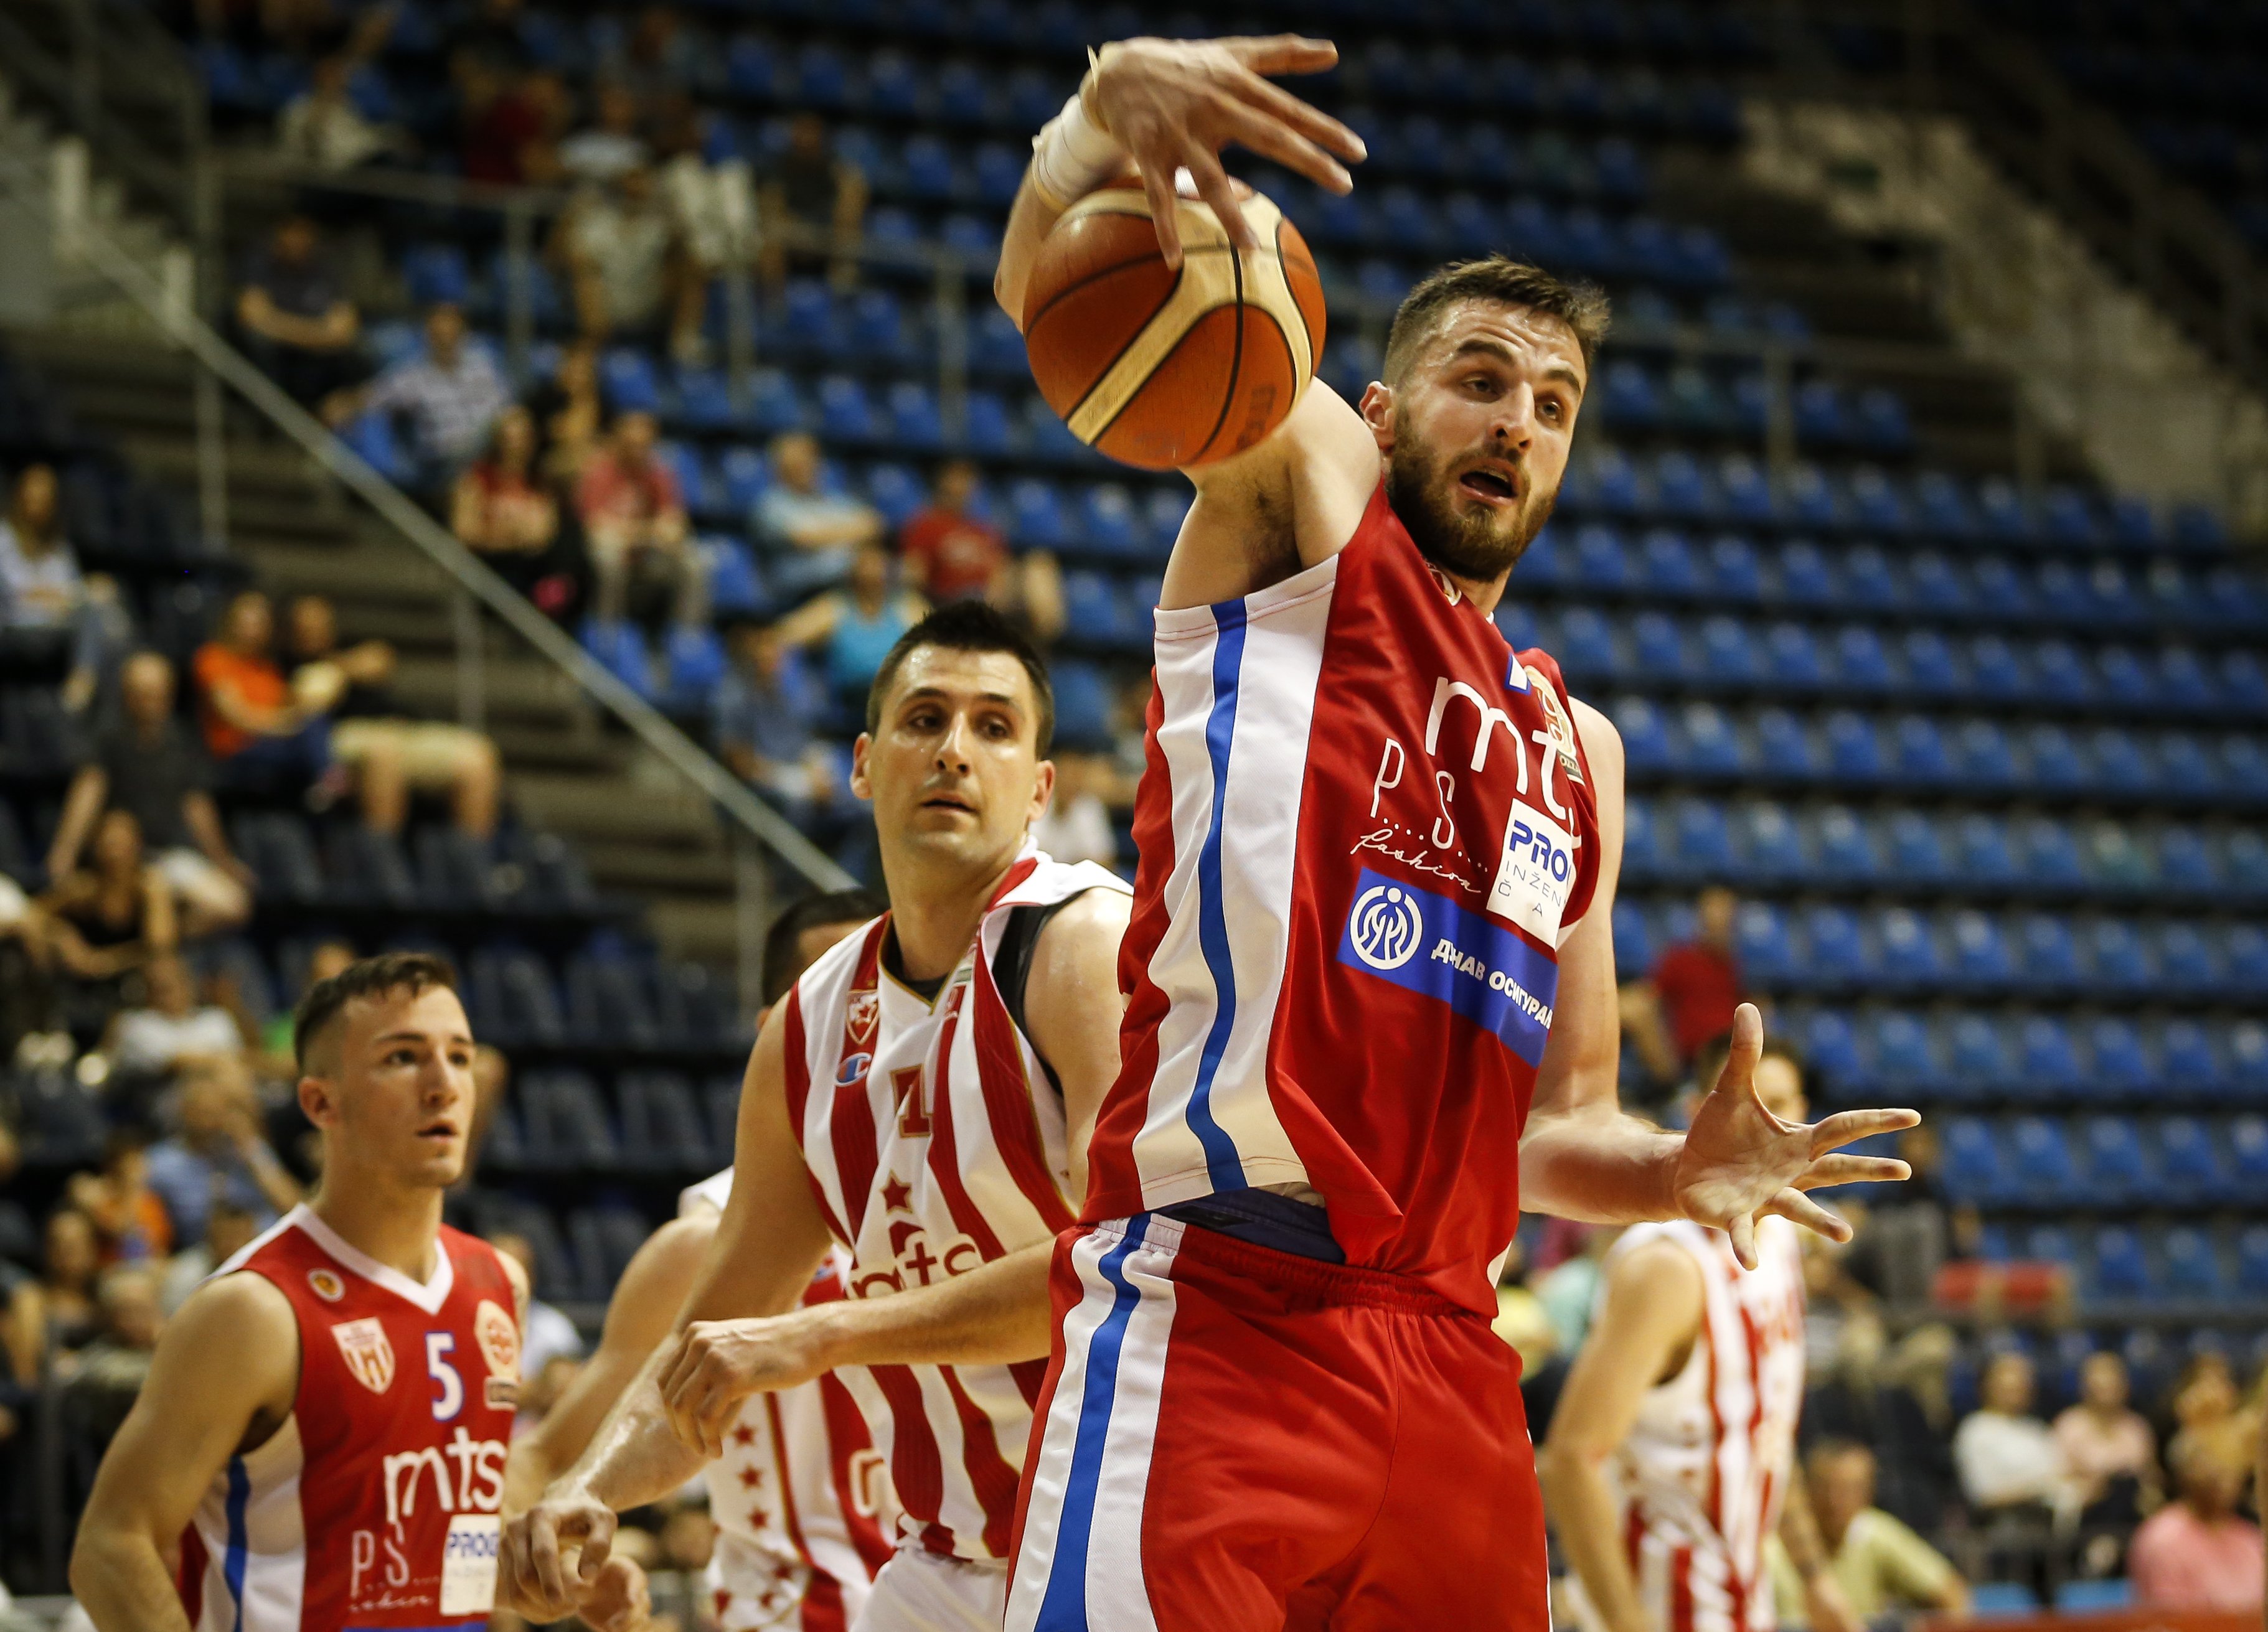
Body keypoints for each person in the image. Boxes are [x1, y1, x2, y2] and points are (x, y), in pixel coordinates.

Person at [989, 38, 1916, 1630]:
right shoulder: (1304, 514)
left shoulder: (1582, 750)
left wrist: (1670, 1171)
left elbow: (1559, 1122)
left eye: (1551, 403)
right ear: (1376, 403)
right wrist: (1086, 130)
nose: (1515, 423)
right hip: (1220, 1306)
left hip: (1449, 1360)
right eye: (1478, 379)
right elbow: (1059, 298)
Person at [500, 604, 1136, 1632]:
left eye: (992, 727)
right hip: (945, 1554)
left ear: (1040, 788)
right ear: (862, 762)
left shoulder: (1079, 946)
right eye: (923, 718)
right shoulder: (804, 1029)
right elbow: (717, 1342)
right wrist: (588, 1489)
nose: (953, 752)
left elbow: (1120, 1270)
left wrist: (823, 1334)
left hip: (1125, 1528)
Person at [70, 954, 548, 1631]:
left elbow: (425, 1548)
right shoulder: (254, 1309)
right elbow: (111, 1546)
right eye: (404, 1058)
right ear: (322, 1102)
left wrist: (534, 1577)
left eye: (461, 1058)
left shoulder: (500, 1285)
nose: (444, 1085)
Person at [501, 889, 890, 1631]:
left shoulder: (974, 1199)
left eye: (888, 993)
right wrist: (509, 1573)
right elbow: (545, 1461)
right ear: (776, 1028)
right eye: (842, 995)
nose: (872, 1021)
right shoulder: (701, 1244)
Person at [1545, 1036, 1853, 1632]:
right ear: (1699, 1116)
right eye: (1751, 1109)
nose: (1770, 1131)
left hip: (1742, 1594)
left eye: (1783, 1108)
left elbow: (1761, 1433)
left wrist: (1814, 1578)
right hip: (1655, 1605)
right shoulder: (1666, 1267)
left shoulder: (1783, 1241)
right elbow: (1568, 1462)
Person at [47, 650, 255, 937]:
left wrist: (223, 860)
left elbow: (197, 808)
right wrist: (64, 852)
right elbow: (87, 794)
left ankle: (147, 955)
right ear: (126, 695)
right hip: (119, 860)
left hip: (168, 855)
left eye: (156, 693)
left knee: (233, 905)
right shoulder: (109, 740)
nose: (149, 701)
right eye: (140, 693)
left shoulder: (181, 742)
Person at [285, 593, 502, 838]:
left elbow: (380, 659)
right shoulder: (286, 665)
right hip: (343, 735)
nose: (313, 630)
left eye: (320, 623)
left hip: (400, 729)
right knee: (384, 754)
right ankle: (385, 863)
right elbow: (297, 712)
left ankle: (474, 862)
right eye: (306, 624)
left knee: (476, 755)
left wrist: (337, 670)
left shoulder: (344, 654)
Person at [1769, 1442, 1969, 1624]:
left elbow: (1951, 1594)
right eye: (1825, 1487)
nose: (1835, 1501)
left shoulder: (1875, 1532)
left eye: (1849, 1489)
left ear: (1870, 1491)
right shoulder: (1768, 1546)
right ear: (1804, 1490)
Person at [326, 301, 513, 486]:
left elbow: (507, 407)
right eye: (439, 334)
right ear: (428, 335)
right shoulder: (412, 376)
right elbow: (370, 397)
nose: (446, 338)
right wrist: (343, 403)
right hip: (447, 463)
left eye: (451, 333)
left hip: (492, 449)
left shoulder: (484, 364)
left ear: (463, 333)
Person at [898, 459, 1065, 648]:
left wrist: (996, 594)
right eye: (955, 479)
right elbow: (914, 576)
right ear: (942, 483)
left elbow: (999, 571)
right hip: (948, 602)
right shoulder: (926, 526)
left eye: (966, 480)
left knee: (1040, 563)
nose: (961, 487)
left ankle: (1042, 650)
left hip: (988, 599)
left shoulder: (983, 529)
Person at [0, 460, 121, 713]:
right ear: (18, 497)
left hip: (57, 625)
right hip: (16, 626)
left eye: (45, 498)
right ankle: (80, 688)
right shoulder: (4, 537)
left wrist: (86, 592)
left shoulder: (58, 545)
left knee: (111, 622)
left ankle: (95, 706)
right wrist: (76, 594)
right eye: (32, 497)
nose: (38, 505)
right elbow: (17, 594)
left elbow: (70, 590)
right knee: (95, 616)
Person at [143, 1060, 303, 1248]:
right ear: (183, 1111)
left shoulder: (248, 1149)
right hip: (205, 1254)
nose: (207, 1118)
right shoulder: (161, 1162)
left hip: (266, 1243)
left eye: (213, 1109)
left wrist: (251, 1151)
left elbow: (294, 1209)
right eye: (199, 1109)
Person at [557, 165, 707, 362]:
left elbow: (688, 254)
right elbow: (563, 257)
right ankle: (592, 347)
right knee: (585, 277)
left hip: (648, 301)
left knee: (692, 268)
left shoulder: (659, 225)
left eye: (641, 180)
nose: (635, 188)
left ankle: (682, 345)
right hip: (605, 302)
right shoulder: (597, 222)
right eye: (630, 180)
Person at [576, 408, 703, 628]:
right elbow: (596, 530)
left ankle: (687, 641)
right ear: (618, 441)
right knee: (609, 559)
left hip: (647, 556)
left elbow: (674, 527)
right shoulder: (599, 472)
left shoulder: (659, 473)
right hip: (604, 558)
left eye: (644, 445)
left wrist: (632, 533)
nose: (638, 451)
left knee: (695, 562)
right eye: (631, 445)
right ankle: (608, 633)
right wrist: (648, 532)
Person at [29, 808, 176, 990]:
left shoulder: (149, 887)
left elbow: (160, 946)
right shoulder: (83, 888)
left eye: (122, 846)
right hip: (82, 984)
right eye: (109, 845)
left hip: (139, 981)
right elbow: (32, 914)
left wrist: (104, 962)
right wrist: (62, 935)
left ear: (137, 846)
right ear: (95, 849)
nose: (115, 856)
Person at [451, 405, 577, 617]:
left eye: (523, 438)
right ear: (497, 441)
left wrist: (510, 534)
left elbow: (543, 535)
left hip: (530, 566)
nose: (516, 446)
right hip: (489, 566)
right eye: (510, 438)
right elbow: (465, 532)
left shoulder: (539, 482)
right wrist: (510, 536)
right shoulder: (477, 479)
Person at [713, 621, 839, 827]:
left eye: (774, 647)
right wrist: (796, 783)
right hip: (762, 787)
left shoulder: (792, 694)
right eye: (762, 647)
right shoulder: (731, 697)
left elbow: (807, 742)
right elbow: (738, 760)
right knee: (797, 806)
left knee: (853, 801)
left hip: (795, 775)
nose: (770, 655)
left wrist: (818, 771)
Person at [774, 539, 928, 707]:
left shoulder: (907, 606)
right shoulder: (834, 607)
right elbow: (781, 636)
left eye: (878, 564)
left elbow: (941, 645)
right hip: (853, 698)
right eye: (865, 564)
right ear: (852, 570)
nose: (872, 572)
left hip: (899, 694)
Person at [233, 215, 363, 408]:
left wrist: (281, 326)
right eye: (293, 233)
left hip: (312, 357)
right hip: (278, 354)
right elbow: (253, 318)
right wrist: (318, 334)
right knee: (260, 347)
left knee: (356, 359)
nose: (299, 241)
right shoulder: (259, 263)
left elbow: (346, 331)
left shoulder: (327, 269)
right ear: (280, 235)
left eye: (304, 234)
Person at [2128, 1433, 2265, 1611]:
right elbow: (2172, 1619)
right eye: (2211, 1465)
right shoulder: (2163, 1539)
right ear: (2185, 1474)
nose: (2221, 1477)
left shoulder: (2251, 1537)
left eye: (2229, 1467)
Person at [1628, 885, 1744, 1084]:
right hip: (1690, 1064)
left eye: (1725, 920)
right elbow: (1645, 998)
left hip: (1731, 1057)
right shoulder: (1680, 960)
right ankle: (1670, 1086)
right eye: (1712, 919)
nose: (1719, 925)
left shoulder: (1741, 966)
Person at [753, 431, 882, 599]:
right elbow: (805, 538)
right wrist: (851, 532)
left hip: (853, 586)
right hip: (806, 593)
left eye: (810, 461)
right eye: (797, 464)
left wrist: (825, 534)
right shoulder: (771, 505)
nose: (806, 468)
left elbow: (874, 525)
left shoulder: (835, 500)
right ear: (780, 469)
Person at [758, 111, 867, 293]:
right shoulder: (779, 168)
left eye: (811, 132)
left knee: (849, 209)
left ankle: (840, 294)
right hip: (791, 234)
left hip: (826, 234)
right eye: (801, 131)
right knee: (772, 234)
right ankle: (774, 306)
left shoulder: (835, 169)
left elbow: (849, 206)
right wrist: (796, 229)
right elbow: (771, 207)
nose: (805, 138)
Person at [2053, 1350, 2160, 1526]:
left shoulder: (2137, 1427)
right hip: (2087, 1510)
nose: (2107, 1388)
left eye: (2113, 1382)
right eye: (2100, 1384)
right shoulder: (2069, 1425)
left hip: (2133, 1510)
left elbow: (2151, 1476)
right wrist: (2093, 1487)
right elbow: (2057, 1479)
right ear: (2085, 1386)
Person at [104, 953, 248, 1082]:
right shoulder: (136, 1025)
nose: (170, 996)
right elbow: (174, 1063)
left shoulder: (216, 1018)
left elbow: (243, 1059)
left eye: (177, 983)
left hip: (229, 1089)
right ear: (146, 992)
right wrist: (223, 1064)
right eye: (160, 989)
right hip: (172, 1102)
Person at [275, 52, 400, 171]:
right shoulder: (299, 108)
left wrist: (392, 136)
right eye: (330, 76)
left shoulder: (346, 106)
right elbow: (300, 145)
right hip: (322, 173)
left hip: (358, 164)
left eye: (338, 76)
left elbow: (360, 136)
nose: (336, 81)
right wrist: (319, 112)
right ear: (317, 78)